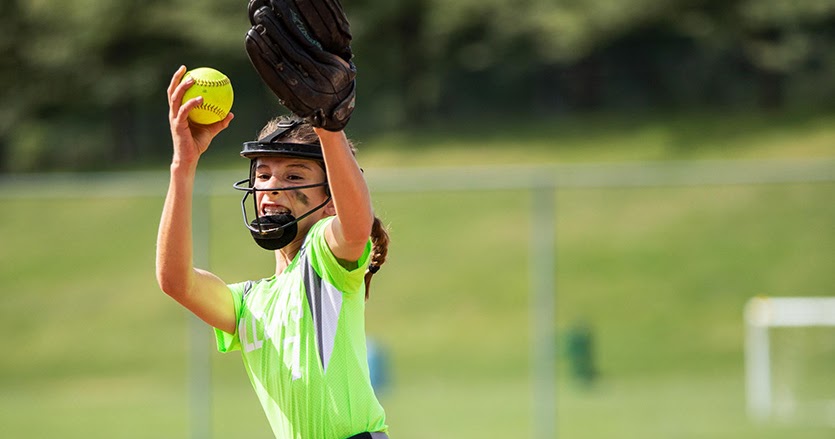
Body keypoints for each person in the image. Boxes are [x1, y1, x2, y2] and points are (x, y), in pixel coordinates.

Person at [156, 65, 390, 439]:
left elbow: (356, 225)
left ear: (330, 202)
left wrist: (328, 127)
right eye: (262, 175)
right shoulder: (250, 303)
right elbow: (175, 281)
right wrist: (183, 165)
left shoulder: (324, 262)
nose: (272, 188)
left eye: (294, 176)